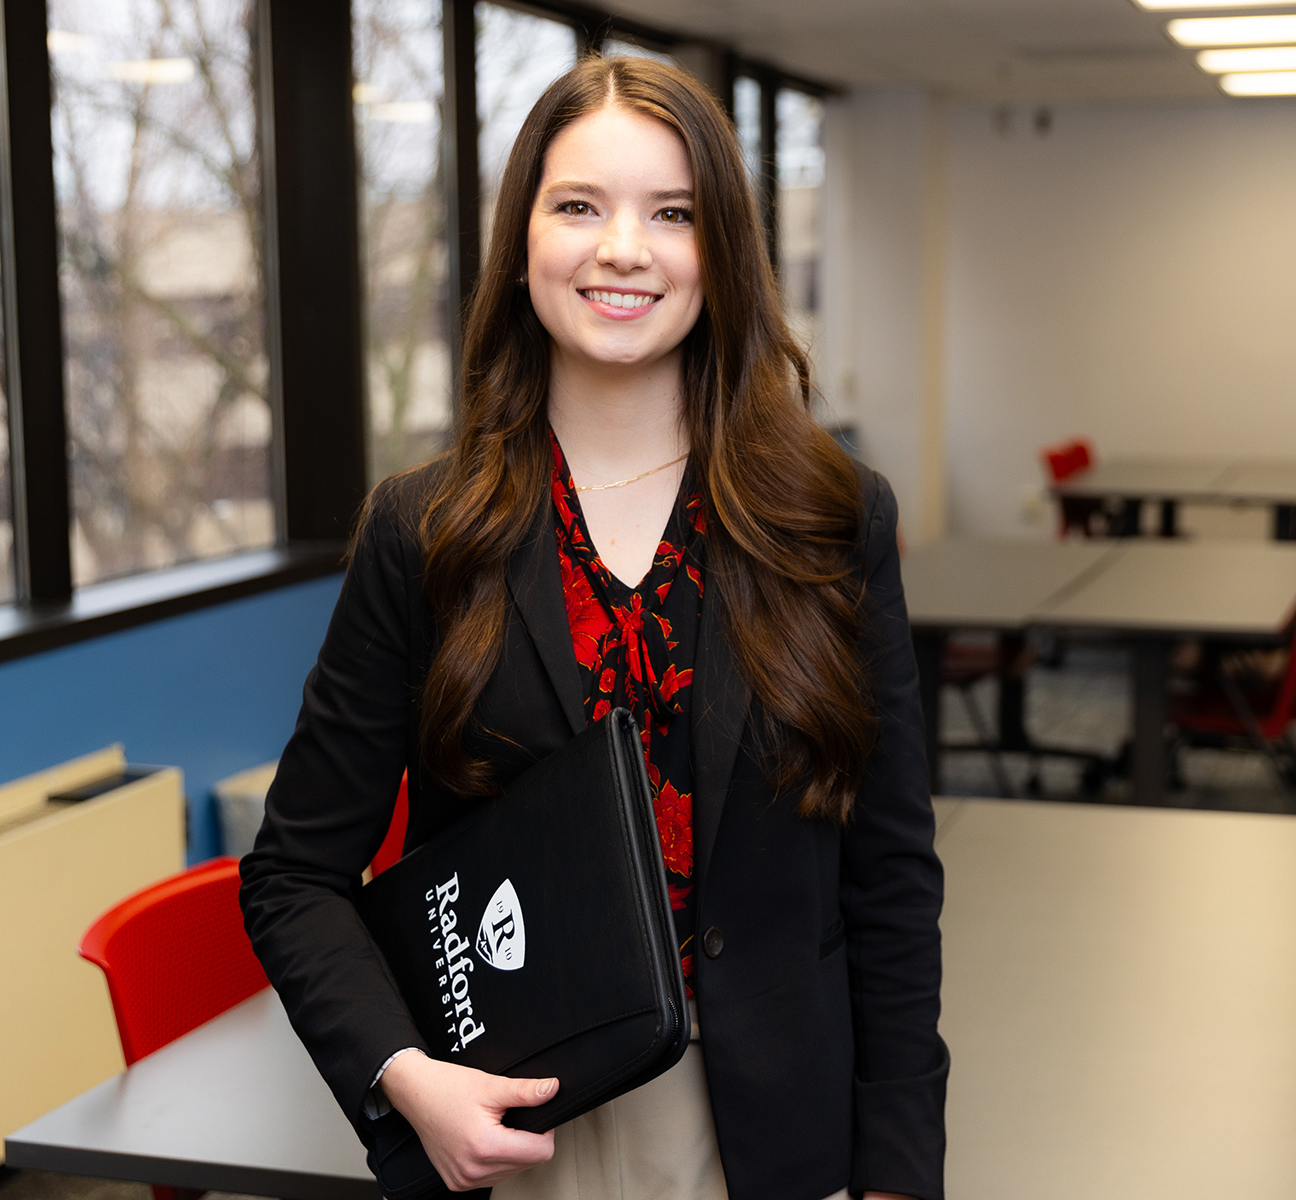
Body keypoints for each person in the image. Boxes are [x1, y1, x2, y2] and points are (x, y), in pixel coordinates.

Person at [240, 55, 946, 1200]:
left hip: (772, 1133)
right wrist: (409, 1077)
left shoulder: (828, 519)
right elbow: (293, 876)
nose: (625, 248)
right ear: (523, 243)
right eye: (580, 206)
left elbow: (892, 879)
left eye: (672, 213)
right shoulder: (425, 531)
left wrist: (901, 1171)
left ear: (722, 252)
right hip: (517, 1130)